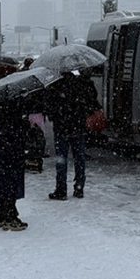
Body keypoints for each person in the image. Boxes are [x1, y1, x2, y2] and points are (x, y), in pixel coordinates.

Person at [43, 69, 101, 200]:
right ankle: (79, 186)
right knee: (79, 158)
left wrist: (55, 116)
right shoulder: (82, 84)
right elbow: (92, 101)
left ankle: (61, 189)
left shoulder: (55, 85)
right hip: (78, 126)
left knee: (61, 159)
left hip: (62, 127)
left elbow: (48, 105)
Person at [0, 96, 40, 231]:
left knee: (4, 182)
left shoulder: (0, 105)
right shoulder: (14, 108)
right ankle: (10, 215)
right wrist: (26, 126)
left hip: (2, 150)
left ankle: (3, 214)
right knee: (11, 182)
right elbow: (14, 130)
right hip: (12, 151)